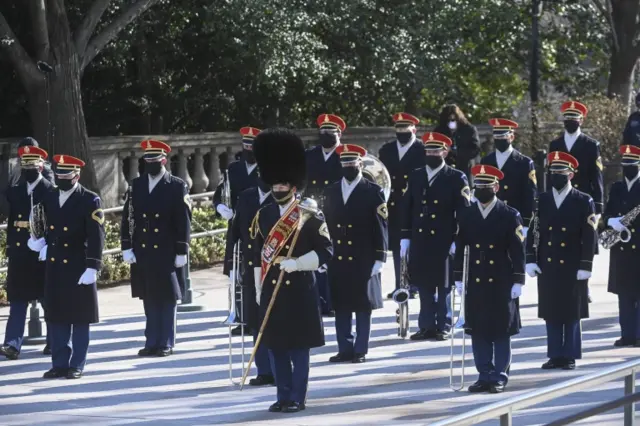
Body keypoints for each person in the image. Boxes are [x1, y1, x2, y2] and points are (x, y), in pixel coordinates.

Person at [251, 128, 333, 413]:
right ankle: (282, 394)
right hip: (273, 285)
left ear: (294, 186)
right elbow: (257, 254)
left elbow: (326, 251)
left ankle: (297, 396)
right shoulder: (264, 215)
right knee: (276, 347)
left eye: (284, 184)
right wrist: (259, 286)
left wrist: (297, 263)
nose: (278, 188)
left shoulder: (309, 215)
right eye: (275, 184)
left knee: (298, 348)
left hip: (299, 288)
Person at [28, 154, 105, 379]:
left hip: (79, 266)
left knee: (80, 318)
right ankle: (59, 363)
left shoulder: (90, 200)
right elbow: (46, 226)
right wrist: (40, 241)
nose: (61, 178)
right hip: (55, 264)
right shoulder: (51, 196)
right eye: (58, 174)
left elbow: (96, 236)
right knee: (57, 315)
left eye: (66, 175)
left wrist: (93, 266)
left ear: (76, 175)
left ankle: (77, 364)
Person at [454, 164, 525, 393]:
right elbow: (461, 247)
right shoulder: (467, 214)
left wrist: (518, 280)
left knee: (501, 329)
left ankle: (499, 375)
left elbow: (517, 251)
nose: (481, 190)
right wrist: (458, 278)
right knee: (479, 329)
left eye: (486, 186)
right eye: (478, 186)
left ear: (496, 187)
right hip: (475, 278)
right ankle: (483, 374)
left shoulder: (509, 214)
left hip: (501, 278)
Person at [526, 151, 597, 370]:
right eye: (553, 171)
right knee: (552, 310)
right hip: (548, 263)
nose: (556, 175)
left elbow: (589, 235)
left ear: (571, 174)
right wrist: (530, 258)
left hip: (573, 264)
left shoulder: (583, 200)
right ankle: (555, 353)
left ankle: (570, 355)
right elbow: (534, 230)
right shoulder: (543, 200)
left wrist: (586, 265)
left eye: (561, 172)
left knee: (571, 311)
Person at [121, 140, 191, 357]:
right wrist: (126, 246)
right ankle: (151, 340)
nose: (150, 164)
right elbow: (128, 218)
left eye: (154, 160)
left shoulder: (177, 185)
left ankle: (166, 341)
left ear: (164, 160)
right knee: (149, 296)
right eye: (147, 160)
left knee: (167, 297)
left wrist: (182, 250)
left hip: (167, 249)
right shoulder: (137, 185)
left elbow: (184, 220)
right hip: (143, 249)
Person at [401, 132, 471, 341]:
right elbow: (408, 207)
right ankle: (426, 325)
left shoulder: (456, 177)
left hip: (444, 239)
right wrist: (405, 237)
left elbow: (464, 211)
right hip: (421, 238)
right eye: (428, 150)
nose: (431, 154)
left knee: (444, 285)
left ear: (445, 152)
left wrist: (457, 240)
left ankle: (444, 324)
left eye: (436, 150)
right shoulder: (416, 175)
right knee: (424, 284)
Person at [323, 144, 388, 364]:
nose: (349, 166)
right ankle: (344, 348)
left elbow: (381, 226)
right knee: (341, 304)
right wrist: (322, 253)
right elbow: (325, 225)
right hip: (338, 255)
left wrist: (380, 257)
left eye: (353, 162)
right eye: (345, 163)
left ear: (361, 163)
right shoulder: (331, 190)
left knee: (362, 305)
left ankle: (360, 349)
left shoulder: (373, 191)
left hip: (363, 255)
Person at [0, 145, 54, 360]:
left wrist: (46, 243)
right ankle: (12, 344)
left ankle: (54, 340)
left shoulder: (50, 190)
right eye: (25, 165)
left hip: (40, 252)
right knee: (18, 300)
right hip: (20, 252)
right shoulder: (16, 191)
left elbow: (55, 221)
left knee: (47, 300)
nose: (28, 169)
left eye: (32, 165)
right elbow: (11, 217)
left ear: (41, 166)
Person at [213, 127, 261, 334]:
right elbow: (219, 193)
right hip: (236, 226)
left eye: (252, 146)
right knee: (236, 274)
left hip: (259, 226)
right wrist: (219, 207)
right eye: (246, 145)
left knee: (256, 274)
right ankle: (240, 316)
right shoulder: (233, 169)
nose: (248, 149)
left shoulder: (266, 169)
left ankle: (255, 318)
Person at [228, 179, 275, 385]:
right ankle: (263, 370)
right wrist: (231, 265)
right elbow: (235, 231)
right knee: (256, 321)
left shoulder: (282, 197)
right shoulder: (246, 196)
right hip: (250, 266)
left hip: (275, 268)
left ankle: (278, 368)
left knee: (274, 321)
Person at [378, 113, 425, 299]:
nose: (401, 133)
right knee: (398, 245)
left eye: (405, 129)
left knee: (415, 244)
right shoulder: (387, 150)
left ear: (414, 129)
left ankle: (414, 283)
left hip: (415, 203)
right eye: (398, 129)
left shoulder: (423, 150)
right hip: (395, 204)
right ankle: (401, 284)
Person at [305, 113, 345, 316]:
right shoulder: (310, 155)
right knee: (317, 256)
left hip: (338, 213)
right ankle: (319, 300)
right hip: (314, 212)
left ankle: (334, 300)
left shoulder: (346, 156)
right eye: (322, 131)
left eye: (330, 132)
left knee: (335, 258)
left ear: (339, 133)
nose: (326, 135)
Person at [604, 145, 640, 347]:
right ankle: (627, 333)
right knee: (624, 293)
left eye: (632, 164)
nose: (628, 168)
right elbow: (608, 212)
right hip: (621, 247)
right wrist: (611, 221)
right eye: (625, 164)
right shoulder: (617, 188)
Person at [548, 101, 604, 221]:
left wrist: (598, 205)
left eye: (574, 118)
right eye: (567, 118)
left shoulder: (591, 145)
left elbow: (596, 175)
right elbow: (550, 174)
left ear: (581, 121)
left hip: (583, 197)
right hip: (559, 197)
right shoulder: (555, 144)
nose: (570, 121)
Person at [481, 118, 537, 228]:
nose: (499, 139)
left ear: (511, 137)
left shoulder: (524, 162)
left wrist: (526, 222)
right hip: (492, 217)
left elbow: (530, 194)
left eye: (503, 136)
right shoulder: (487, 161)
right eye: (496, 137)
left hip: (515, 218)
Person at [432, 104, 480, 180]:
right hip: (444, 169)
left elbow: (475, 150)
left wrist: (456, 151)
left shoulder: (469, 130)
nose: (451, 122)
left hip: (464, 168)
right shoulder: (439, 130)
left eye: (454, 120)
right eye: (449, 119)